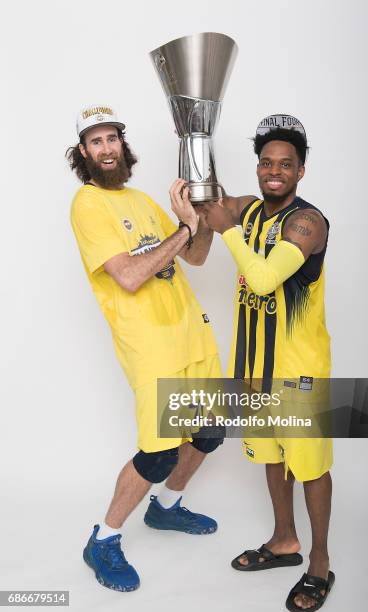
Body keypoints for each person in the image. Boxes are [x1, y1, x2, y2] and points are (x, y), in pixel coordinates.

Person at [67, 105, 223, 592]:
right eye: (96, 142)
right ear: (83, 153)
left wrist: (202, 216)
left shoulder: (140, 199)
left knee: (210, 432)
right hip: (151, 344)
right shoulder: (88, 204)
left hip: (191, 334)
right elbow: (131, 276)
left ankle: (166, 508)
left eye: (112, 138)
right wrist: (181, 229)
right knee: (157, 455)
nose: (106, 148)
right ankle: (104, 539)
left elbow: (194, 255)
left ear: (122, 145)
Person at [203, 115, 335, 611]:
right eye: (265, 163)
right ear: (257, 168)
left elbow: (261, 279)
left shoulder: (308, 222)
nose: (273, 171)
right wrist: (194, 145)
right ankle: (284, 541)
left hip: (298, 371)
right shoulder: (250, 209)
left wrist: (227, 230)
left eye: (285, 164)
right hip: (254, 368)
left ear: (301, 171)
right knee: (271, 457)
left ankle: (319, 562)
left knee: (310, 467)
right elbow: (211, 197)